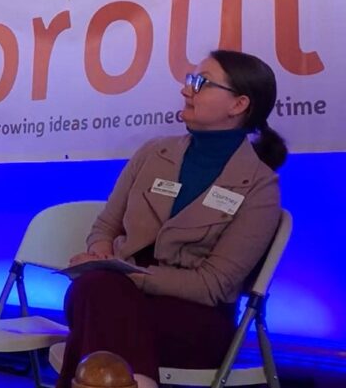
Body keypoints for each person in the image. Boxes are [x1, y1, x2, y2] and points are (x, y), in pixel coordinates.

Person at [57, 50, 287, 388]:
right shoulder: (153, 153)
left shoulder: (260, 185)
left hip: (193, 316)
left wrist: (131, 275)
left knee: (96, 296)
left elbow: (214, 285)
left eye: (201, 82)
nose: (186, 90)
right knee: (94, 289)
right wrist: (101, 253)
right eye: (190, 80)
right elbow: (106, 226)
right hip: (112, 291)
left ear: (238, 105)